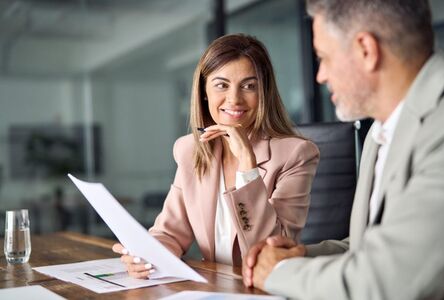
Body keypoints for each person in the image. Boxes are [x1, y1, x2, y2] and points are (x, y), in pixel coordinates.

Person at [242, 0, 444, 299]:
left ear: (366, 50)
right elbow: (366, 247)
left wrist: (279, 272)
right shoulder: (381, 131)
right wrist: (300, 256)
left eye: (324, 58)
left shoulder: (443, 129)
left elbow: (389, 279)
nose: (320, 76)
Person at [112, 34, 319, 278]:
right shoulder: (190, 151)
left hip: (266, 288)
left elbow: (273, 250)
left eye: (249, 86)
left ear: (264, 93)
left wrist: (248, 166)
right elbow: (170, 233)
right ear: (204, 92)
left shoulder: (296, 154)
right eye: (221, 85)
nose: (234, 99)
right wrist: (147, 254)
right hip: (213, 286)